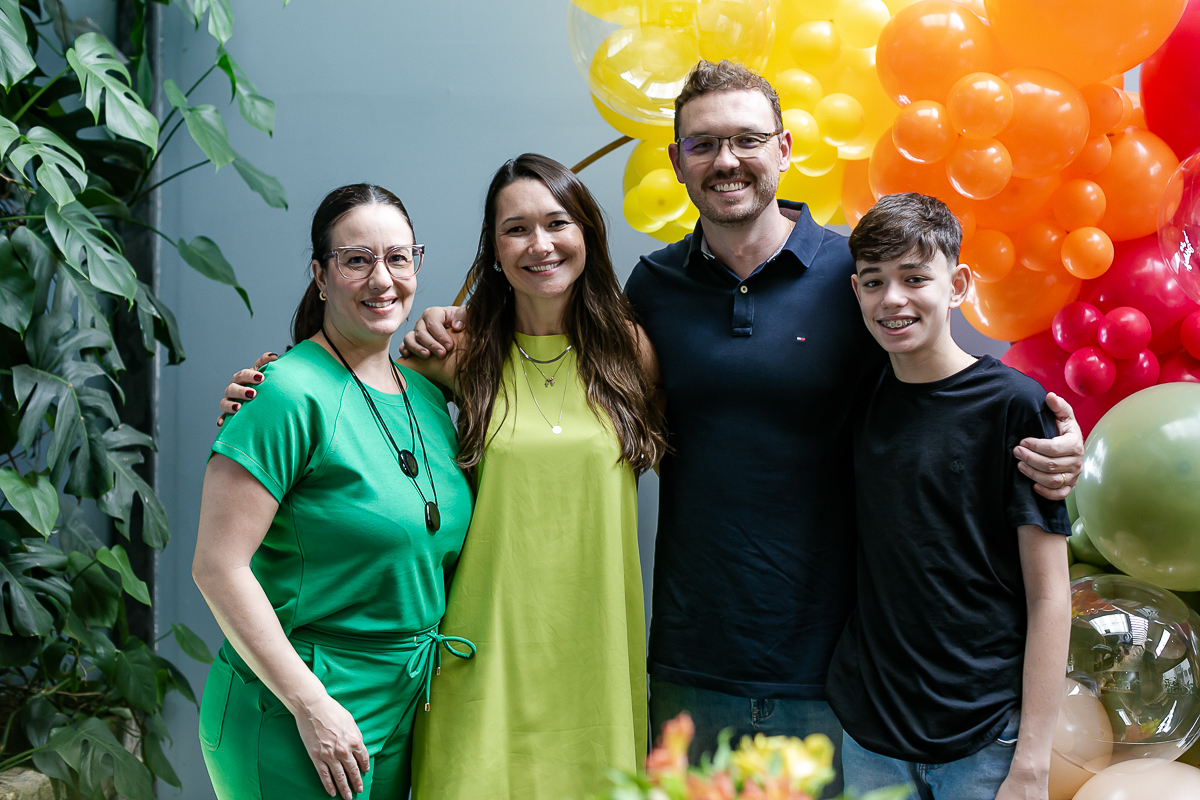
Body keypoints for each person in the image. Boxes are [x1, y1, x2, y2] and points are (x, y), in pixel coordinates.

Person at [399, 60, 1085, 793]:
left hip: (840, 672)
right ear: (677, 162)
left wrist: (1051, 440)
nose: (726, 160)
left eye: (747, 140)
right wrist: (450, 325)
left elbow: (948, 389)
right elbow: (554, 358)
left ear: (785, 148)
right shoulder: (653, 288)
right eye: (703, 145)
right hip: (692, 661)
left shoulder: (854, 275)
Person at [218, 154, 667, 800]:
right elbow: (356, 395)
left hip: (595, 656)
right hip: (477, 657)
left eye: (557, 222)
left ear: (588, 235)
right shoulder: (457, 353)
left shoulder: (632, 354)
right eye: (515, 228)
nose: (538, 243)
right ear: (493, 250)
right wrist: (253, 395)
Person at [192, 184, 475, 800]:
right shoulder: (283, 393)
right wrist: (310, 704)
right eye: (357, 259)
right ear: (320, 276)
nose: (382, 279)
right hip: (303, 704)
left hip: (406, 704)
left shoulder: (428, 395)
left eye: (398, 258)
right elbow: (218, 565)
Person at [827, 192, 1071, 800]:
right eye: (874, 282)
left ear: (958, 283)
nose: (893, 299)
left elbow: (1050, 594)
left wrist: (1033, 765)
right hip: (871, 738)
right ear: (856, 291)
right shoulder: (860, 399)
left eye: (915, 278)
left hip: (985, 738)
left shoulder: (1014, 406)